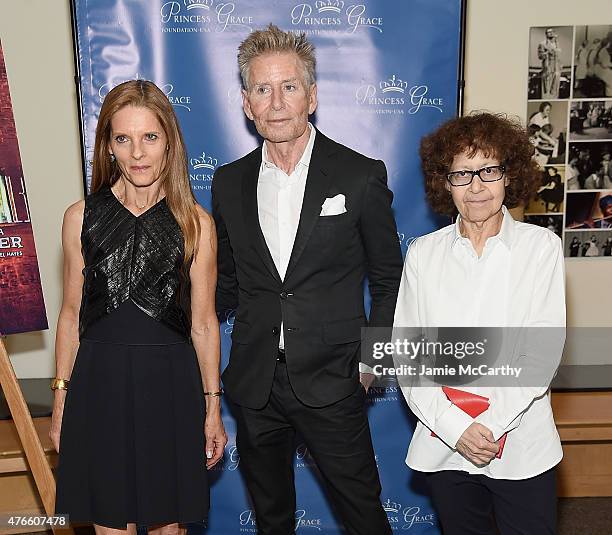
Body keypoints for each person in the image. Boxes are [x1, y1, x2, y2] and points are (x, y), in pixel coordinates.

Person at [212, 24, 402, 535]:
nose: (276, 103)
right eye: (262, 89)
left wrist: (373, 357)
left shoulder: (359, 175)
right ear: (247, 103)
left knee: (363, 514)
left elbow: (388, 278)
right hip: (255, 383)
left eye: (289, 87)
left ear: (312, 96)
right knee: (272, 519)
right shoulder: (228, 183)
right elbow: (226, 283)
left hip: (335, 379)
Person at [52, 80, 227, 533]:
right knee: (111, 523)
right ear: (108, 146)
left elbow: (205, 325)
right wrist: (60, 400)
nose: (137, 153)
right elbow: (70, 315)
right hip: (98, 387)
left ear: (169, 141)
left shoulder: (196, 223)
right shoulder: (80, 217)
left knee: (169, 526)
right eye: (123, 138)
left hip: (170, 389)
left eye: (149, 137)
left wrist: (212, 407)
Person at [394, 112, 565, 535]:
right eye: (462, 174)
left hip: (522, 441)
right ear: (444, 182)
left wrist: (486, 427)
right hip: (446, 444)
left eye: (488, 170)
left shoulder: (541, 247)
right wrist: (458, 429)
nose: (476, 187)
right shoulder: (422, 253)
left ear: (509, 176)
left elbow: (539, 354)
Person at [538, 28, 562, 99]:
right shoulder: (542, 44)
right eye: (549, 32)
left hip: (556, 67)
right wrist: (548, 52)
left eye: (552, 32)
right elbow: (540, 56)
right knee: (547, 86)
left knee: (556, 87)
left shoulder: (557, 44)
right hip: (548, 66)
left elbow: (559, 56)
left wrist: (560, 65)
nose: (551, 33)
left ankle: (555, 98)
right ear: (546, 34)